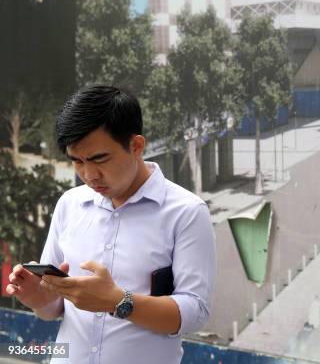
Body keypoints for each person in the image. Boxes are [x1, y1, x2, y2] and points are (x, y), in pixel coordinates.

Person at [6, 86, 216, 364]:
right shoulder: (70, 204)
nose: (88, 175)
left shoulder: (186, 212)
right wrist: (38, 298)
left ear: (136, 146)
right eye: (77, 161)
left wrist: (118, 301)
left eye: (99, 159)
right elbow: (53, 309)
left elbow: (195, 312)